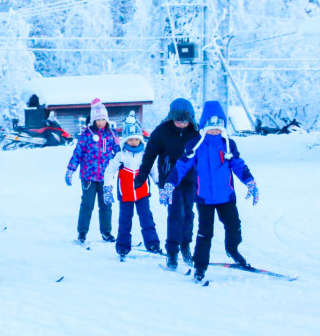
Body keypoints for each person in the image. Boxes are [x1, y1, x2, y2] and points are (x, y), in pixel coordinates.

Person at [161, 101, 259, 282]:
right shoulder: (195, 145)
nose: (215, 130)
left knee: (234, 226)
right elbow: (181, 166)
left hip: (226, 197)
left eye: (218, 127)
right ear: (204, 126)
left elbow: (238, 165)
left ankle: (233, 249)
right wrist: (170, 184)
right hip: (205, 198)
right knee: (205, 233)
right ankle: (200, 267)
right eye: (211, 127)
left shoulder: (228, 144)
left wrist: (250, 181)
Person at [135, 98, 200, 269]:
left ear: (190, 119)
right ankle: (172, 252)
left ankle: (185, 245)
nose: (181, 123)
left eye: (184, 120)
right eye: (177, 120)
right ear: (171, 117)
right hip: (169, 179)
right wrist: (141, 176)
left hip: (191, 179)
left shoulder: (196, 132)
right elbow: (149, 155)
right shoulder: (161, 131)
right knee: (175, 213)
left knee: (188, 214)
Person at [103, 114, 160, 260]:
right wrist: (107, 188)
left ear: (140, 139)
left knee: (146, 218)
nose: (133, 142)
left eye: (136, 139)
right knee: (125, 220)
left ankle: (152, 243)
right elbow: (109, 170)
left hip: (142, 194)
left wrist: (161, 184)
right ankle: (123, 246)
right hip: (126, 194)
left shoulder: (145, 155)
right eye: (130, 139)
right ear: (125, 140)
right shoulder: (121, 156)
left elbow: (153, 170)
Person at [65, 98, 119, 244]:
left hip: (106, 177)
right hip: (88, 177)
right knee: (87, 205)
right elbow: (78, 153)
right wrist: (71, 170)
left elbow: (119, 153)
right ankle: (82, 232)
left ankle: (106, 232)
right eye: (98, 119)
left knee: (106, 205)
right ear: (93, 120)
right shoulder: (87, 135)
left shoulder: (112, 135)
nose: (100, 122)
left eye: (103, 119)